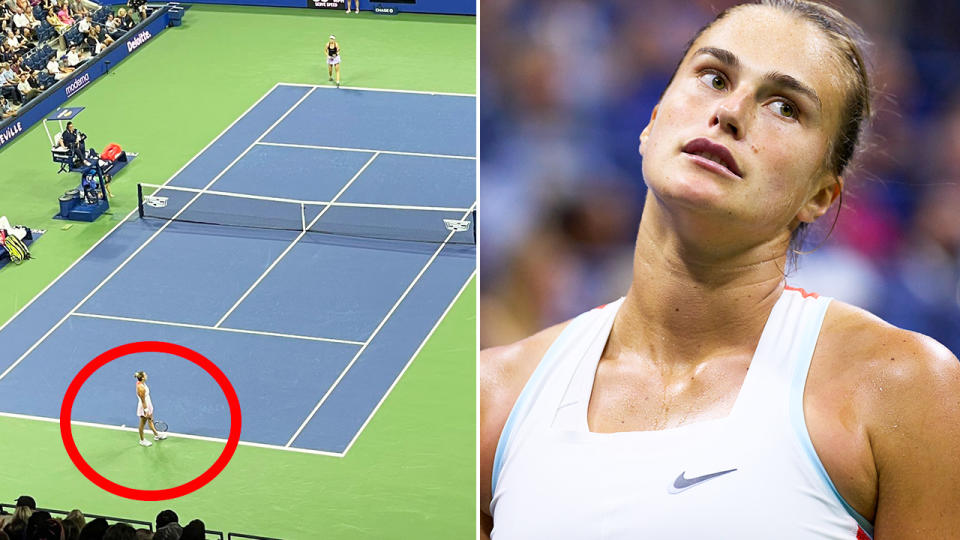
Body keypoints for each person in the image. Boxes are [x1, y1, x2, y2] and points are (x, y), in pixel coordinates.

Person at [479, 1, 960, 538]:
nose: (731, 111)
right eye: (714, 76)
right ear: (652, 122)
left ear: (820, 195)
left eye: (785, 107)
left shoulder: (906, 388)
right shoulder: (494, 397)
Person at [135, 370, 166, 447]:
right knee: (142, 424)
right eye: (145, 375)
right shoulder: (141, 388)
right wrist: (146, 411)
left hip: (148, 404)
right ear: (142, 378)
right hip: (144, 407)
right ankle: (142, 440)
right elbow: (143, 401)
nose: (146, 376)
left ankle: (156, 435)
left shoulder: (140, 383)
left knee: (151, 420)